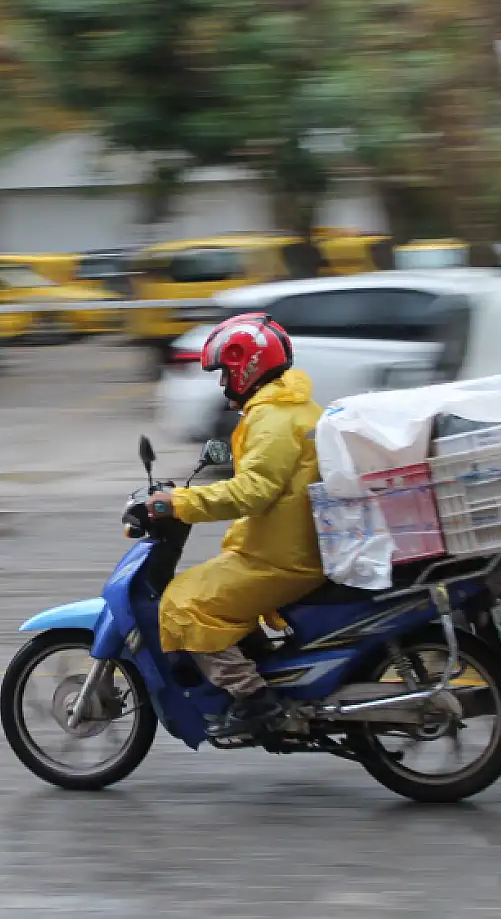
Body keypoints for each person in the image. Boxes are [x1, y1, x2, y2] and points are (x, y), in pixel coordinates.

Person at [148, 313, 326, 739]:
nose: (224, 382)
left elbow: (253, 492)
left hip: (282, 558)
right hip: (284, 548)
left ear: (246, 364)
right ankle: (261, 667)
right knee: (208, 586)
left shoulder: (274, 418)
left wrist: (180, 503)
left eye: (225, 371)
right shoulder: (288, 406)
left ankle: (254, 701)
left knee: (182, 604)